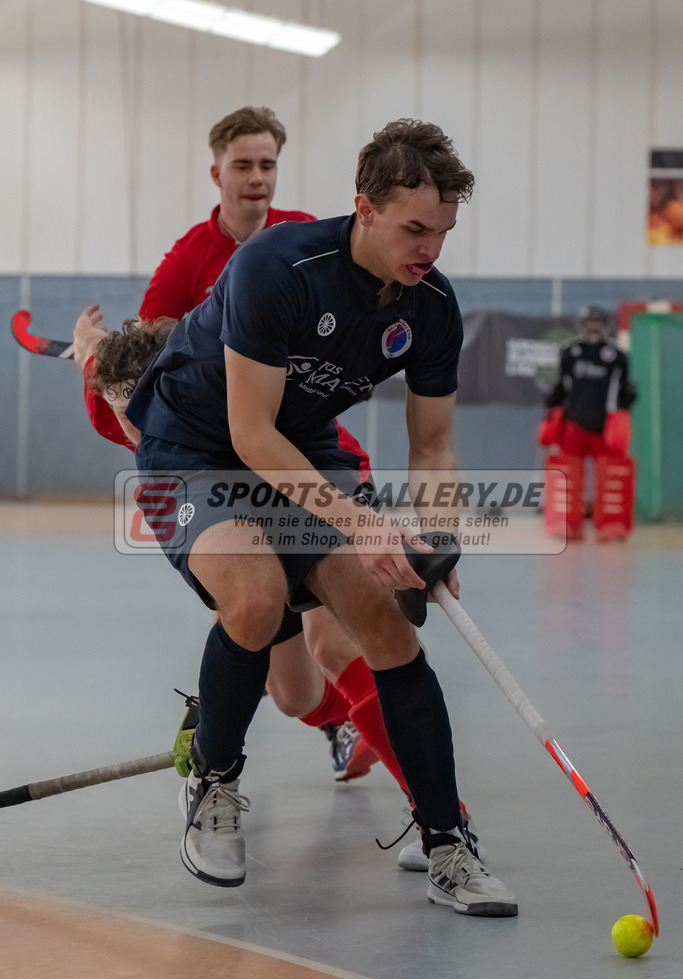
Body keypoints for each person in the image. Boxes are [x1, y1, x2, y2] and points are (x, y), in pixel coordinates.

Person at [121, 117, 517, 917]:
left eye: (442, 231)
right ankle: (214, 781)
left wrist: (434, 537)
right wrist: (366, 524)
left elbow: (433, 442)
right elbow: (249, 432)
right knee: (258, 597)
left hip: (300, 449)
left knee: (384, 620)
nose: (429, 249)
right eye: (413, 227)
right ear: (363, 208)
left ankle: (445, 840)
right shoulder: (276, 267)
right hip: (196, 449)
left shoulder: (431, 305)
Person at [73, 106, 379, 784]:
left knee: (335, 639)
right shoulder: (188, 261)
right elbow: (140, 378)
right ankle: (333, 721)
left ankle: (434, 812)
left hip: (306, 456)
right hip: (227, 477)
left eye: (267, 165)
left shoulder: (305, 238)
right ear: (217, 173)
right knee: (293, 691)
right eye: (242, 166)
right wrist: (95, 365)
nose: (256, 178)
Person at [540, 306, 637, 541]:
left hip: (605, 427)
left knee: (609, 478)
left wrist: (622, 415)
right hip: (574, 423)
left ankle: (610, 525)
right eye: (588, 321)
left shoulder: (617, 356)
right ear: (581, 324)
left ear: (604, 324)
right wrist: (550, 413)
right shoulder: (570, 352)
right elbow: (561, 389)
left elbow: (625, 391)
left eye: (597, 321)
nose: (592, 325)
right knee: (569, 477)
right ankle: (568, 525)